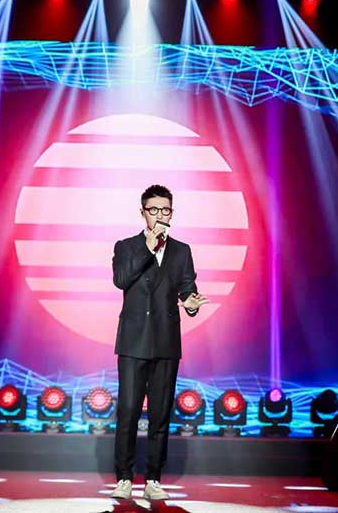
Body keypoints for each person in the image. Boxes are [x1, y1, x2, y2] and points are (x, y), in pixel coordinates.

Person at [110, 184, 209, 501]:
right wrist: (148, 248)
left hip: (166, 342)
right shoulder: (127, 246)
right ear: (143, 213)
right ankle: (124, 477)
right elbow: (121, 280)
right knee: (128, 411)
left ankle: (153, 477)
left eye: (165, 210)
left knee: (160, 413)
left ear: (172, 213)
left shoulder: (182, 250)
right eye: (153, 210)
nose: (160, 215)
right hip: (132, 342)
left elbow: (187, 289)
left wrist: (191, 303)